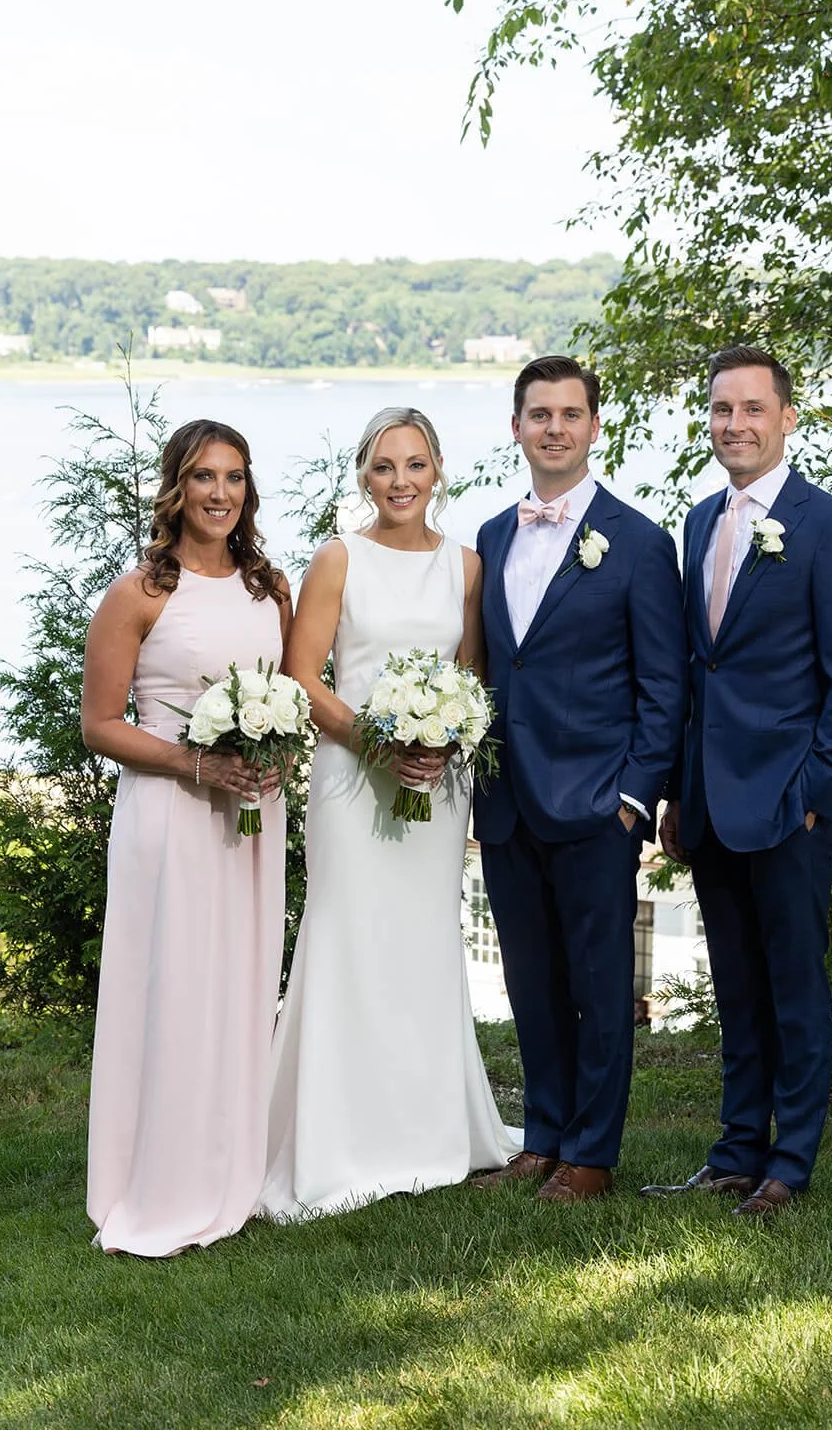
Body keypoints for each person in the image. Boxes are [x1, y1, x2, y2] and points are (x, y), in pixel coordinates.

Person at [643, 345, 832, 1217]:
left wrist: (818, 795)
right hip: (709, 798)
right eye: (719, 410)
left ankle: (790, 1164)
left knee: (792, 985)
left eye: (751, 409)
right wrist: (675, 790)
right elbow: (692, 672)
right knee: (736, 985)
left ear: (787, 417)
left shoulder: (830, 529)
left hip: (789, 803)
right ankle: (735, 1150)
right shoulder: (701, 522)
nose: (733, 425)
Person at [260, 407, 517, 1221]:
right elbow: (303, 677)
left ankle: (429, 1126)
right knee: (349, 935)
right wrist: (376, 740)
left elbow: (470, 678)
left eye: (414, 465)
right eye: (382, 467)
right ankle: (338, 1138)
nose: (399, 481)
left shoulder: (467, 568)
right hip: (349, 780)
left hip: (436, 786)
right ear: (363, 477)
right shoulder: (338, 559)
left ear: (438, 469)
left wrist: (442, 742)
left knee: (420, 941)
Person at [473, 356, 688, 1202]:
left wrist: (635, 799)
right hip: (506, 802)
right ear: (517, 428)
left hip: (599, 805)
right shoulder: (492, 536)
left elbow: (662, 686)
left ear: (594, 427)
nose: (553, 427)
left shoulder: (636, 541)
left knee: (600, 988)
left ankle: (591, 1155)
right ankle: (545, 1136)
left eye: (569, 413)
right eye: (538, 414)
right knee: (531, 983)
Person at [83, 420, 293, 1256]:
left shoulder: (269, 586)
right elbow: (99, 725)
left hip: (251, 815)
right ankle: (159, 1176)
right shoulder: (139, 591)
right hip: (170, 815)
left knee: (240, 984)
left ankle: (231, 1163)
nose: (220, 494)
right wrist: (194, 765)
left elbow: (289, 691)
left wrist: (271, 754)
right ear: (175, 487)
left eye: (234, 478)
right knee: (171, 987)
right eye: (204, 477)